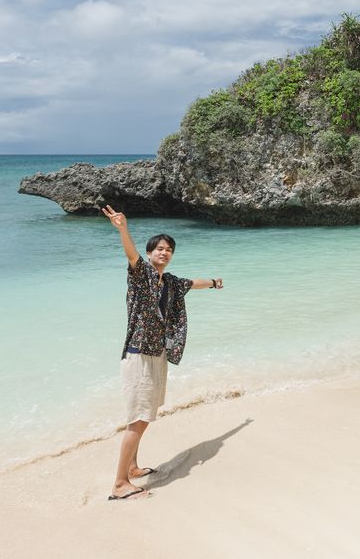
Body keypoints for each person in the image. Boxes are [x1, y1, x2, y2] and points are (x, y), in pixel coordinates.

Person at [102, 204, 224, 501]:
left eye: (168, 249)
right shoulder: (141, 274)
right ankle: (119, 485)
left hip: (157, 355)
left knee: (145, 414)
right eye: (158, 248)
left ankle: (131, 468)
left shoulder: (170, 282)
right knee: (139, 418)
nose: (164, 252)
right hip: (139, 354)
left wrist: (214, 283)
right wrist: (123, 228)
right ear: (150, 253)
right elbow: (130, 255)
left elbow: (192, 283)